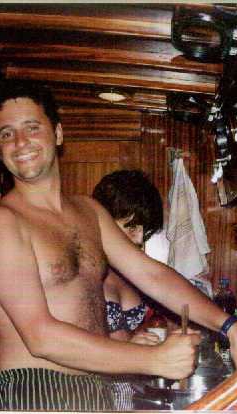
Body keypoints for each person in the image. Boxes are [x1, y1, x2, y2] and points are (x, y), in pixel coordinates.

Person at [0, 82, 237, 411]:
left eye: (32, 127)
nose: (20, 142)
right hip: (36, 390)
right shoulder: (2, 224)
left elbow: (152, 275)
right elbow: (40, 336)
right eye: (7, 134)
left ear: (58, 134)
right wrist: (153, 359)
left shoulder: (89, 212)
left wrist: (229, 326)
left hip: (96, 389)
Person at [93, 169, 167, 410]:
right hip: (92, 397)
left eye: (144, 229)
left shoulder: (132, 274)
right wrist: (132, 347)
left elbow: (127, 335)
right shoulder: (85, 272)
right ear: (105, 218)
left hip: (130, 396)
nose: (139, 238)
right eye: (131, 226)